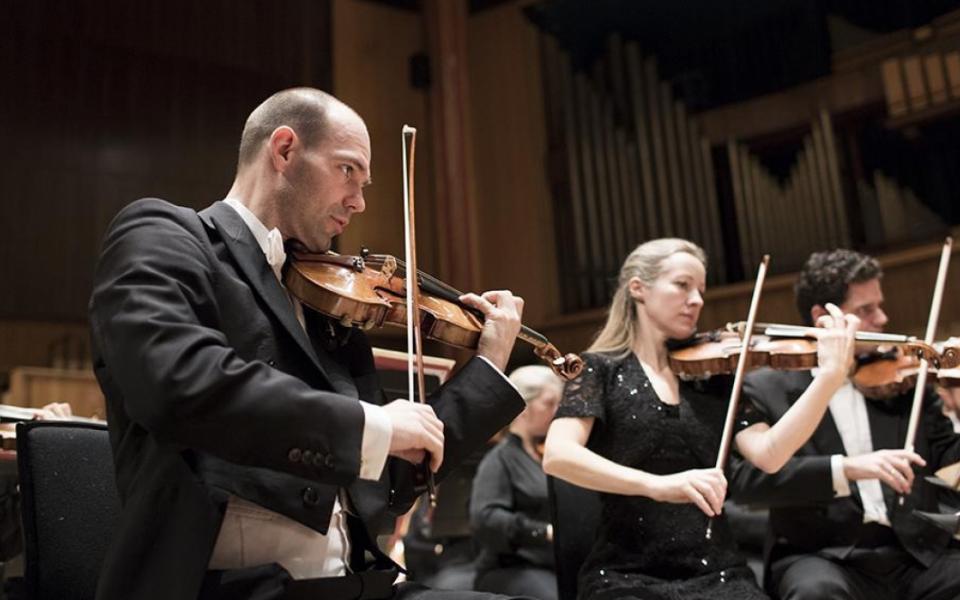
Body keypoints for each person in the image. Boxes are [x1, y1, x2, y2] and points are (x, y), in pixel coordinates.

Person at [88, 88, 528, 600]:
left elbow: (397, 475)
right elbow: (179, 381)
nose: (360, 202)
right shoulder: (166, 235)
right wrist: (376, 424)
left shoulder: (328, 307)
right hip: (225, 587)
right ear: (284, 150)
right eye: (348, 172)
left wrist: (490, 364)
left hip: (356, 583)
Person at [542, 238, 857, 600]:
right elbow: (558, 455)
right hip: (625, 574)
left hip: (719, 573)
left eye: (701, 290)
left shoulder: (713, 376)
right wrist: (656, 485)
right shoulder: (599, 369)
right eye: (682, 285)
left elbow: (770, 454)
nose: (697, 300)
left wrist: (829, 380)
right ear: (638, 288)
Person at [730, 249, 960, 600]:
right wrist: (845, 469)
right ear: (823, 317)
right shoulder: (766, 387)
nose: (882, 318)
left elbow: (949, 459)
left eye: (879, 305)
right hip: (820, 555)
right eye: (866, 310)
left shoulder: (903, 381)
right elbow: (750, 481)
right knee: (816, 593)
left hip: (914, 552)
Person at [470, 365, 561, 600]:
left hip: (550, 565)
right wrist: (543, 532)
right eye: (549, 403)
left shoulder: (547, 456)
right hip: (510, 569)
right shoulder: (499, 459)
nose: (558, 411)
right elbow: (486, 519)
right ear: (522, 407)